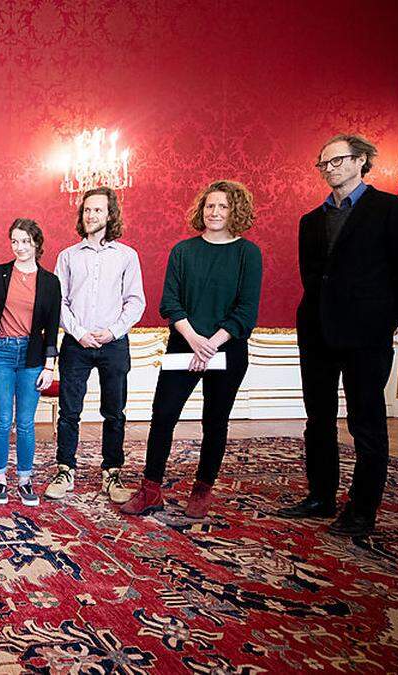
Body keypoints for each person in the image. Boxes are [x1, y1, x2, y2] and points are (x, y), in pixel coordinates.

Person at [277, 134, 398, 537]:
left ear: (361, 161)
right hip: (317, 333)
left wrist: (384, 322)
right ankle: (320, 496)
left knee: (366, 421)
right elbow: (313, 277)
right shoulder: (311, 220)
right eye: (323, 164)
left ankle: (362, 509)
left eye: (337, 161)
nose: (330, 169)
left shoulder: (392, 209)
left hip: (367, 336)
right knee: (318, 419)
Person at [122, 180, 262, 519]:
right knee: (164, 415)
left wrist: (210, 345)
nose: (214, 212)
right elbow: (169, 302)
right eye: (210, 206)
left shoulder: (248, 253)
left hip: (226, 350)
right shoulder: (183, 251)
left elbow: (246, 311)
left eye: (223, 207)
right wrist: (195, 341)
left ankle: (202, 488)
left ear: (235, 211)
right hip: (185, 343)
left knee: (215, 420)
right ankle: (150, 488)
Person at [46, 187, 145, 503]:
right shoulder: (68, 256)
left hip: (113, 344)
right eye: (87, 210)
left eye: (98, 210)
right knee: (69, 411)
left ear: (110, 215)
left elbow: (135, 301)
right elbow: (58, 301)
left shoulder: (127, 256)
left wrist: (113, 331)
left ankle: (112, 473)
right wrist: (79, 332)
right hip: (77, 343)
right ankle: (65, 470)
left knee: (114, 412)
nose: (91, 215)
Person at [0, 219, 61, 507]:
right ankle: (0, 479)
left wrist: (49, 366)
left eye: (25, 241)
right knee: (2, 421)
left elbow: (51, 327)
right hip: (0, 354)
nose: (20, 247)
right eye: (14, 241)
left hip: (32, 358)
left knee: (25, 423)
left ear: (36, 243)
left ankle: (25, 480)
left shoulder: (50, 282)